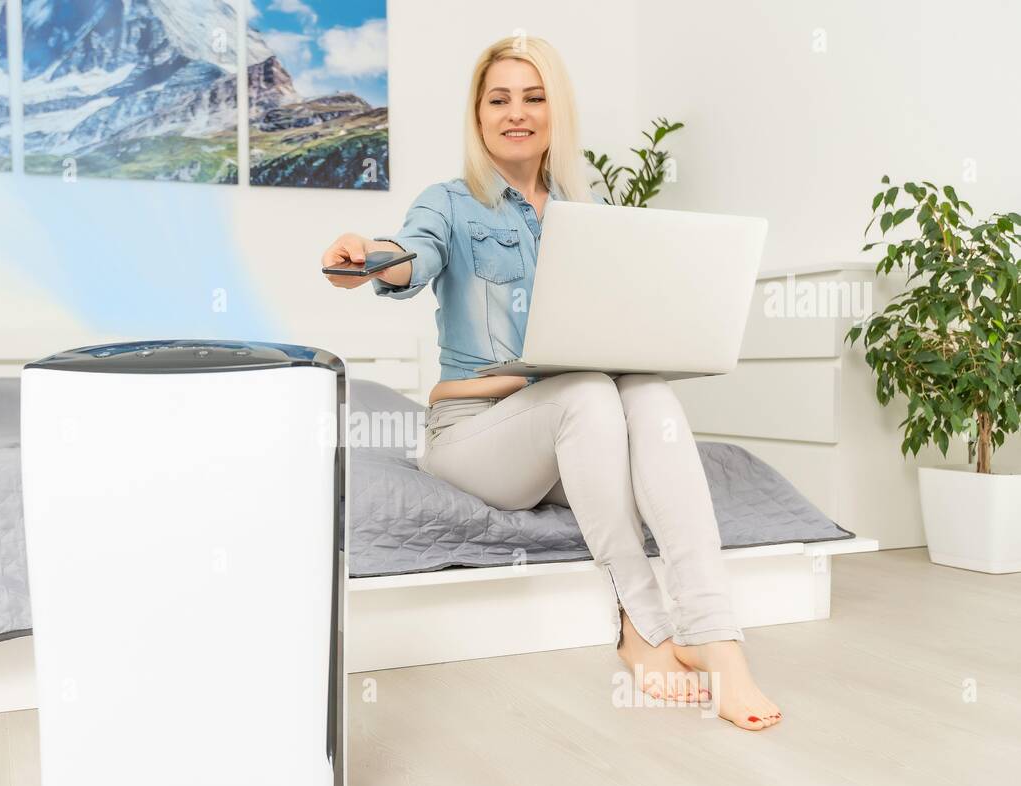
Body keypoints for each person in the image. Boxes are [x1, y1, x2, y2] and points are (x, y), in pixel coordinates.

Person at [321, 36, 780, 731]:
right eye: (499, 99)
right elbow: (410, 256)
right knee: (589, 393)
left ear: (554, 111)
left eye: (533, 98)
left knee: (648, 396)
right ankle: (645, 625)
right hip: (474, 433)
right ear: (477, 115)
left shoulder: (581, 212)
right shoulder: (449, 204)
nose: (517, 113)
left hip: (569, 429)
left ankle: (715, 635)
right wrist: (367, 257)